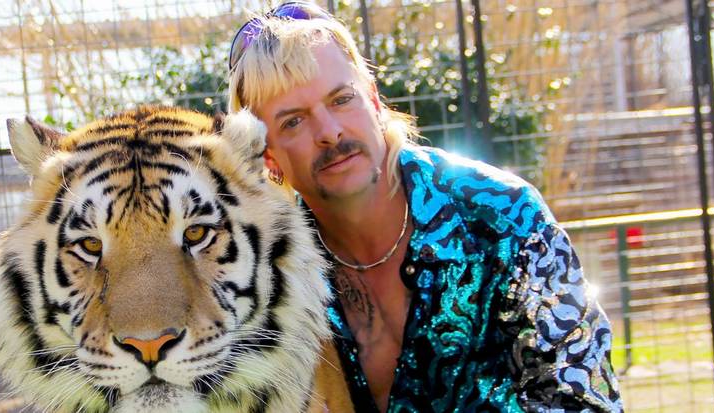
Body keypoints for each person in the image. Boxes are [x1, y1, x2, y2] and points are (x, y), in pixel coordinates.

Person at [226, 2, 623, 412]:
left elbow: (583, 397)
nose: (329, 132)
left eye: (342, 99)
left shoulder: (502, 215)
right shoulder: (271, 279)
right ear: (267, 156)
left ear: (375, 102)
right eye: (294, 121)